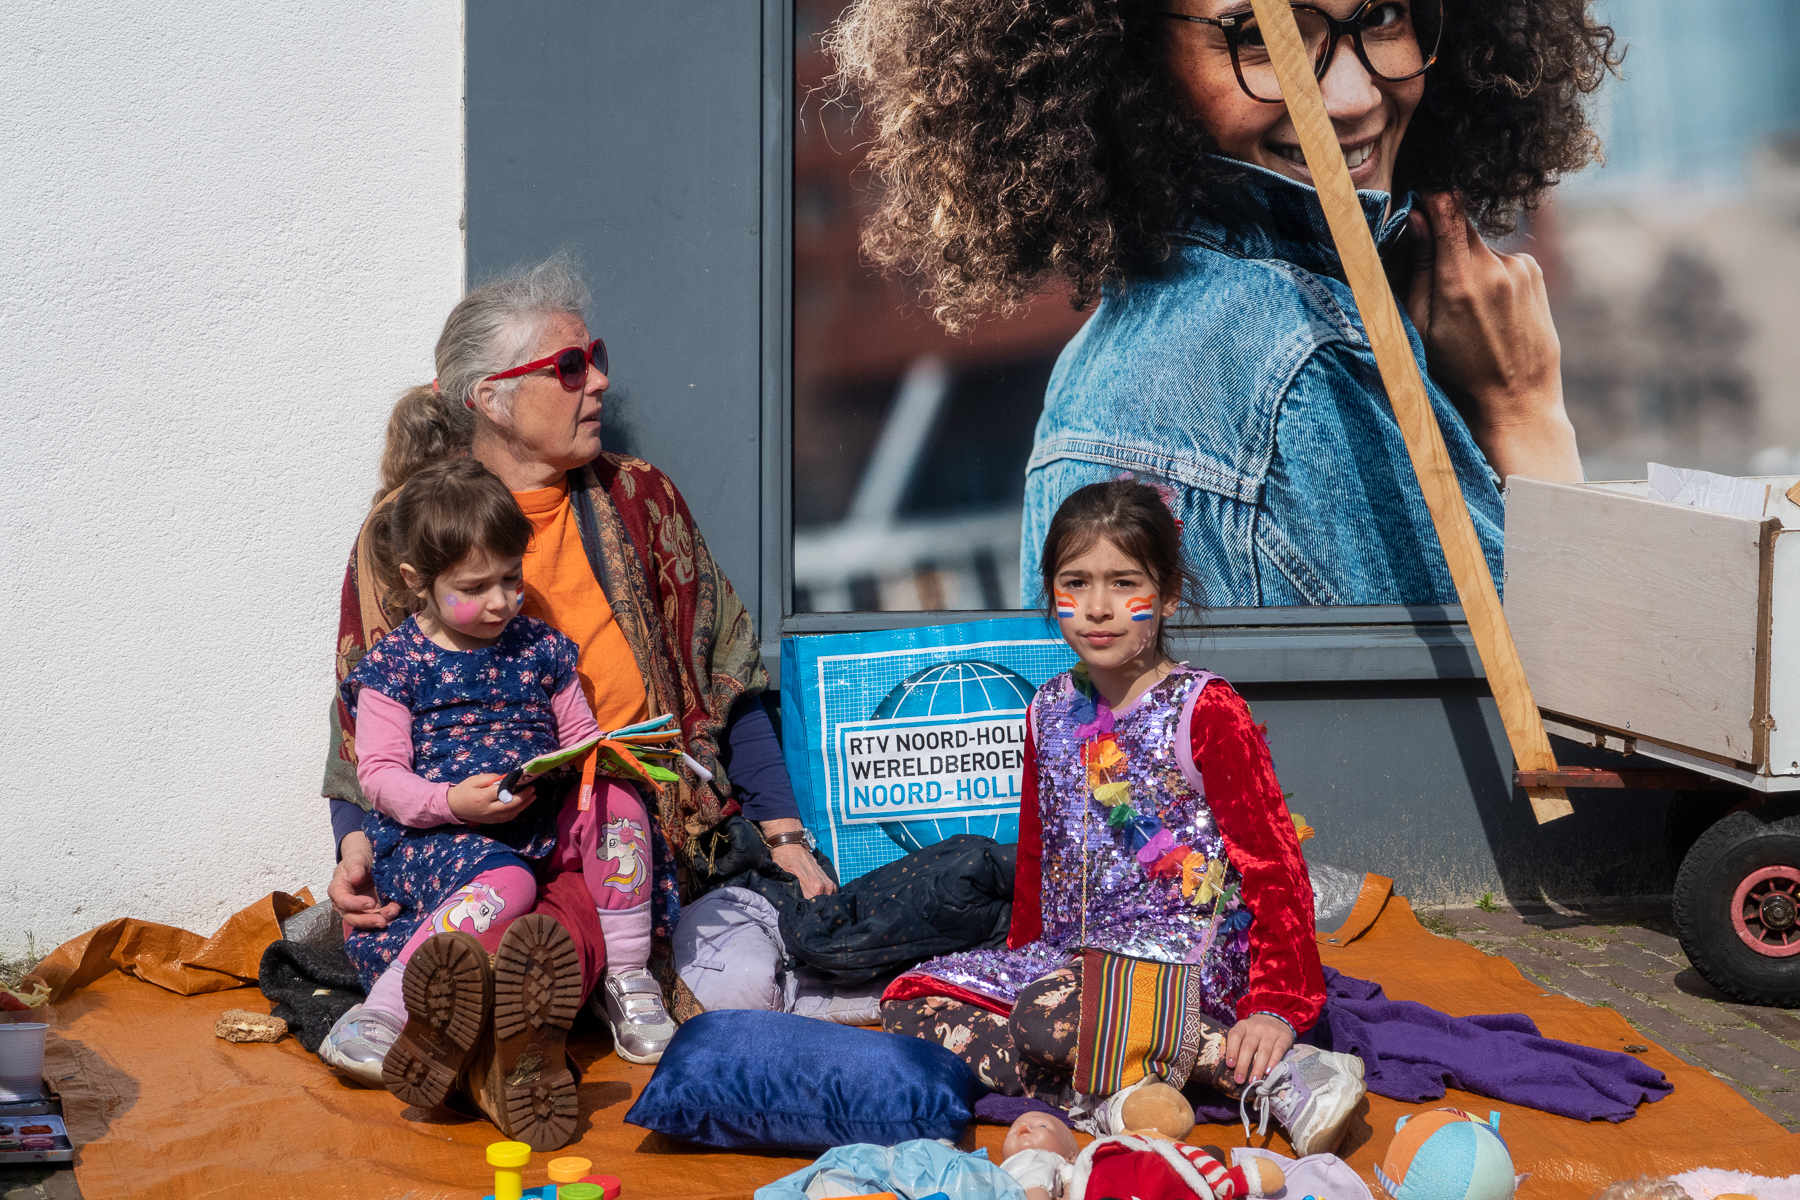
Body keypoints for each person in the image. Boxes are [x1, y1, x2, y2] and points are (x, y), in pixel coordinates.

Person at [827, 0, 1619, 606]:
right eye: (1259, 36)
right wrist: (1525, 415)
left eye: (1380, 15)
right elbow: (1579, 741)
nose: (1347, 95)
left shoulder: (1097, 370)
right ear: (1133, 64)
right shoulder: (1303, 367)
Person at [320, 256, 832, 1147]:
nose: (598, 380)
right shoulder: (403, 534)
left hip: (626, 821)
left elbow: (731, 681)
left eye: (592, 355)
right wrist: (352, 847)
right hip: (458, 839)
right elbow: (358, 715)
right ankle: (519, 1025)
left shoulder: (641, 502)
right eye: (568, 367)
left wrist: (784, 834)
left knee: (598, 873)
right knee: (507, 885)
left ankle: (492, 1025)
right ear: (487, 398)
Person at [882, 479, 1366, 1156]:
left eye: (1124, 583)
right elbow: (1036, 858)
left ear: (1166, 596)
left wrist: (1276, 1009)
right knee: (909, 1003)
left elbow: (1275, 869)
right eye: (1075, 583)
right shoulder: (1047, 707)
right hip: (1070, 967)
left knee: (1047, 1030)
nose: (1098, 609)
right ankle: (1156, 1085)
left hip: (1183, 964)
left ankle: (1272, 1069)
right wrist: (1025, 962)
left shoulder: (1205, 710)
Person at [319, 457, 672, 1112]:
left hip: (535, 810)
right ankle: (383, 1011)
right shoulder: (395, 667)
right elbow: (380, 777)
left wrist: (589, 759)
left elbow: (580, 735)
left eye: (512, 578)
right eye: (476, 587)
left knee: (619, 806)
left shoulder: (539, 647)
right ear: (415, 582)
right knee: (508, 883)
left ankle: (629, 980)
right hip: (443, 835)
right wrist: (451, 801)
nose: (502, 601)